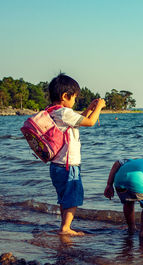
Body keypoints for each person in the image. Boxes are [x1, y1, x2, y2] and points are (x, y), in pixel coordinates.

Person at [48, 73, 106, 236]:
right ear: (65, 96)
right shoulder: (64, 112)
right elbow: (90, 122)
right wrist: (100, 108)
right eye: (74, 98)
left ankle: (64, 225)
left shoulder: (53, 112)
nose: (74, 101)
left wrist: (90, 108)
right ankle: (66, 228)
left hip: (56, 165)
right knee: (72, 197)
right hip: (68, 165)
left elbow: (79, 119)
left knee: (63, 197)